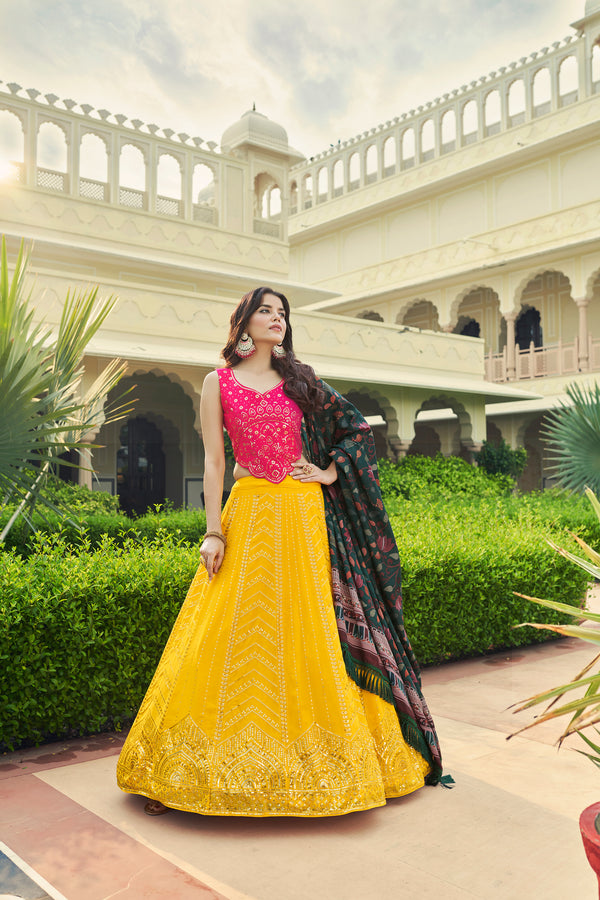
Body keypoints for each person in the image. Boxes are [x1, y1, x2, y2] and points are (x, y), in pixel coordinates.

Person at [117, 286, 445, 817]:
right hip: (247, 516)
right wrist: (212, 532)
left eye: (283, 313)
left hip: (304, 516)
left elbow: (356, 429)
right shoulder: (216, 383)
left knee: (310, 628)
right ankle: (181, 771)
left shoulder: (302, 382)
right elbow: (215, 465)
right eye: (266, 311)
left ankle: (339, 765)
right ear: (243, 322)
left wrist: (330, 469)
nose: (277, 319)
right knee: (230, 630)